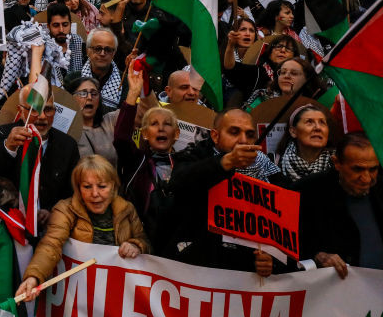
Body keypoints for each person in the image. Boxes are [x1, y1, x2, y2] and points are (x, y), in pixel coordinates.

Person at [165, 109, 290, 277]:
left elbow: (284, 222)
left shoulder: (266, 168)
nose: (243, 140)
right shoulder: (195, 155)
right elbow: (178, 183)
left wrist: (272, 260)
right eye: (234, 132)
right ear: (215, 136)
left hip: (244, 274)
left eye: (250, 134)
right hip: (197, 267)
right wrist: (224, 163)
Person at [16, 155, 150, 302]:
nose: (95, 194)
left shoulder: (127, 210)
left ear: (113, 186)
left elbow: (145, 242)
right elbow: (50, 245)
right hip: (78, 299)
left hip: (117, 297)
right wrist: (34, 276)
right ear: (78, 188)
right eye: (87, 187)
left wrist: (136, 245)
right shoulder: (65, 210)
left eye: (102, 186)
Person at [297, 133, 383, 274]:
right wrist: (316, 257)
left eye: (373, 169)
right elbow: (290, 248)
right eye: (357, 169)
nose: (366, 178)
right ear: (337, 163)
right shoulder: (308, 193)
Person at [0, 83, 81, 216]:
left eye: (48, 109)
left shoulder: (68, 145)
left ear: (55, 111)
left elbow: (72, 193)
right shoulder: (3, 135)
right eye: (34, 109)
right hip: (11, 217)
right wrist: (9, 147)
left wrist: (52, 212)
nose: (42, 116)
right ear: (20, 111)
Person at [112, 61, 180, 244]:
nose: (161, 128)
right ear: (144, 134)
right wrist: (133, 93)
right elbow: (121, 138)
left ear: (176, 134)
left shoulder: (186, 163)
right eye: (154, 124)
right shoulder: (137, 161)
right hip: (138, 238)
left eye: (167, 124)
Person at [69, 76, 118, 166]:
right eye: (83, 93)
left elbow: (141, 113)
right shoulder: (66, 130)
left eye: (94, 93)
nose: (89, 97)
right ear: (71, 98)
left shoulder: (110, 121)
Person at [277, 105, 335, 182]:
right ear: (293, 131)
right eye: (309, 122)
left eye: (322, 122)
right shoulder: (274, 163)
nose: (318, 128)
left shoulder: (338, 163)